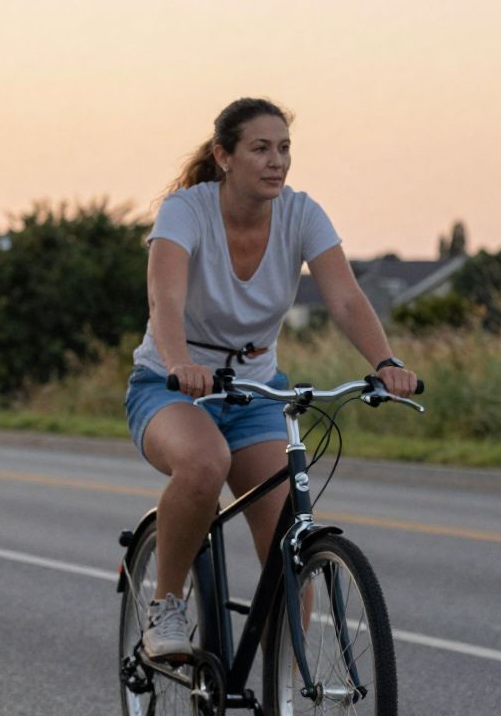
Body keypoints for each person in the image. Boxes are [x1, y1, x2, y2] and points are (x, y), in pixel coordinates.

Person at [127, 97, 420, 662]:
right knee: (204, 462)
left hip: (257, 392)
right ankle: (165, 604)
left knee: (288, 540)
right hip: (171, 387)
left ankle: (290, 693)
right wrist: (179, 361)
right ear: (224, 156)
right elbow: (164, 297)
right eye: (260, 148)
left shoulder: (302, 214)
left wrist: (385, 363)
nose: (276, 161)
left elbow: (344, 296)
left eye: (284, 149)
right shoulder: (186, 212)